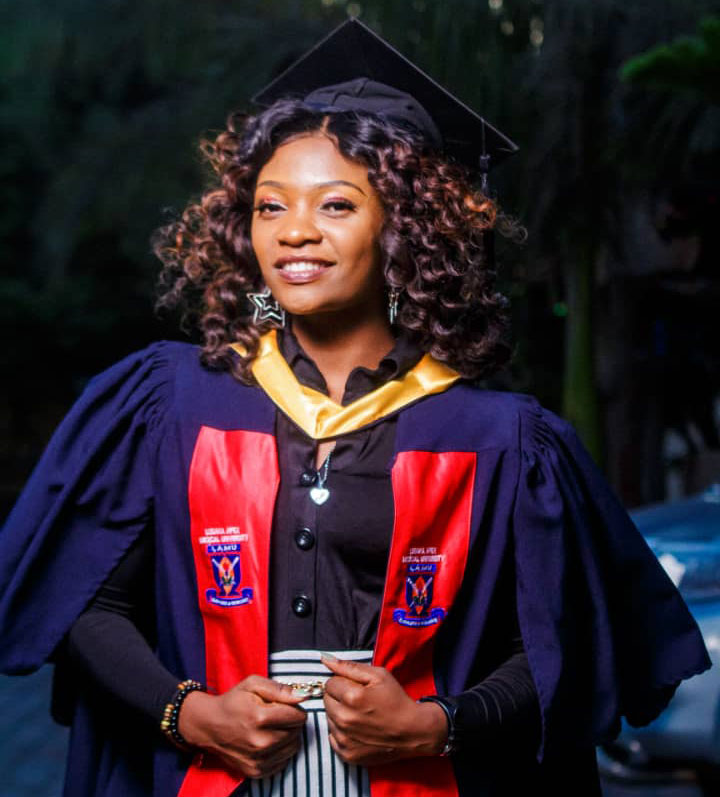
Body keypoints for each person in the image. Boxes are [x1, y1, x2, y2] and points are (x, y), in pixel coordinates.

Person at [0, 18, 710, 797]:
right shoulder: (171, 403)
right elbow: (90, 601)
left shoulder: (500, 439)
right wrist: (191, 714)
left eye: (335, 205)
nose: (295, 230)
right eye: (270, 207)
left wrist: (438, 723)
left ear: (404, 229)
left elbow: (558, 644)